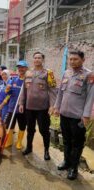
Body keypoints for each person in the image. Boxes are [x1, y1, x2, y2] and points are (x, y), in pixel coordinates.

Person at [54, 51, 94, 180]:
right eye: (70, 59)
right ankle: (66, 162)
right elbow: (60, 92)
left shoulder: (89, 75)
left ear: (83, 59)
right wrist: (56, 107)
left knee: (77, 143)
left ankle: (73, 168)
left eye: (75, 59)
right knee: (66, 140)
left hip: (78, 116)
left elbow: (90, 96)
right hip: (64, 114)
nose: (72, 61)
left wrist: (86, 115)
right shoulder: (66, 73)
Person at [19, 52, 57, 160]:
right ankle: (29, 147)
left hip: (42, 108)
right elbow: (23, 90)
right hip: (29, 107)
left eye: (39, 58)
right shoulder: (28, 73)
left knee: (43, 130)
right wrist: (21, 103)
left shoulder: (48, 73)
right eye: (35, 58)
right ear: (33, 60)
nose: (37, 59)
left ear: (43, 60)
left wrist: (52, 105)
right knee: (30, 129)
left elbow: (53, 90)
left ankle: (46, 151)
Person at [0, 61, 28, 149]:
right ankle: (9, 141)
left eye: (22, 67)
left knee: (22, 125)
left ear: (26, 68)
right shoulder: (13, 80)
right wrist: (7, 90)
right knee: (9, 124)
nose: (21, 69)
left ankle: (19, 142)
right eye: (19, 67)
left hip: (22, 107)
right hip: (12, 107)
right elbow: (9, 93)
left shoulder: (28, 80)